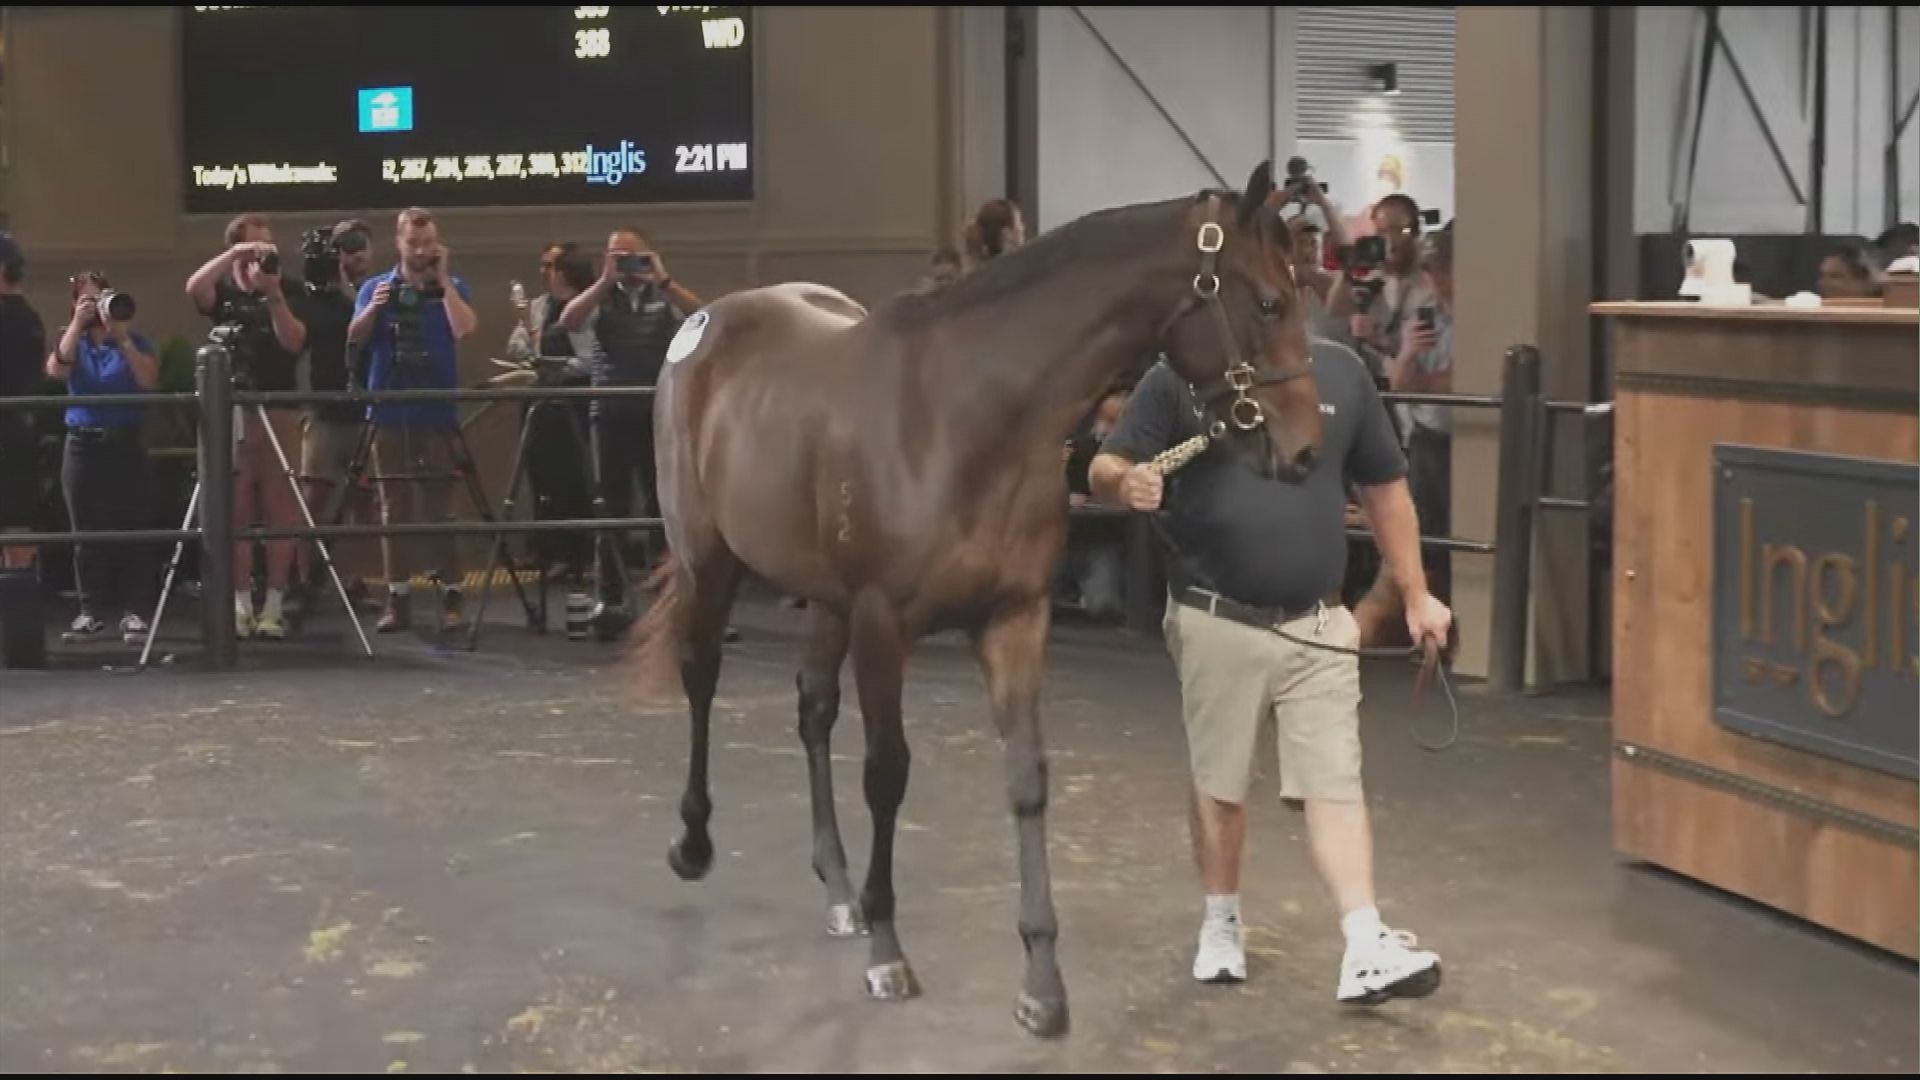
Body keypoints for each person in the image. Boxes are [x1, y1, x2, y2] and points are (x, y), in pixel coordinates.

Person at [1089, 336, 1451, 1005]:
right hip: (1216, 616)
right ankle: (1221, 919)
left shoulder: (1341, 370)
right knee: (1220, 784)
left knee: (1334, 777)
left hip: (1319, 623)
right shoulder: (1180, 376)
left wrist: (1417, 590)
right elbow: (1104, 464)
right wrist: (1125, 481)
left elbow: (1385, 492)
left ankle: (1365, 940)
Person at [560, 227, 702, 630]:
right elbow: (568, 320)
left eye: (633, 256)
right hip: (609, 412)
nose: (627, 266)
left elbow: (702, 319)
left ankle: (670, 597)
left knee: (665, 507)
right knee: (611, 507)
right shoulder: (601, 299)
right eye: (617, 257)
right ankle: (611, 596)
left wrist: (664, 280)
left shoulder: (664, 297)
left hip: (658, 413)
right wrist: (604, 283)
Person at [349, 207, 477, 634]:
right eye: (413, 243)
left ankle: (452, 593)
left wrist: (443, 283)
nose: (421, 251)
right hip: (389, 409)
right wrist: (374, 308)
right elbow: (354, 337)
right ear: (399, 242)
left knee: (441, 508)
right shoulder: (375, 287)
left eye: (428, 244)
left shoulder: (450, 287)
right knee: (394, 508)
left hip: (436, 409)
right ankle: (398, 596)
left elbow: (464, 329)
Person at [185, 212, 309, 640]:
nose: (262, 258)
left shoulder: (289, 290)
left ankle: (273, 605)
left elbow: (294, 342)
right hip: (233, 412)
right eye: (255, 249)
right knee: (235, 509)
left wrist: (273, 294)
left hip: (279, 408)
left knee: (280, 510)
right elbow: (194, 289)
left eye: (269, 250)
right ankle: (239, 604)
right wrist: (232, 256)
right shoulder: (222, 293)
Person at [44, 272, 160, 645]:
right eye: (89, 301)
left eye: (102, 299)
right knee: (85, 530)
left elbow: (147, 381)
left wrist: (121, 336)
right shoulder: (73, 342)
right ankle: (89, 610)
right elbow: (56, 370)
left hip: (125, 442)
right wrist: (77, 325)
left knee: (134, 524)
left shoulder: (133, 340)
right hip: (82, 444)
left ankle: (135, 610)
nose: (98, 309)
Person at [0, 233, 47, 572]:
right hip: (21, 429)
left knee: (16, 523)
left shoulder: (14, 317)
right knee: (18, 521)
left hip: (10, 428)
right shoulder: (30, 317)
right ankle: (19, 608)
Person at [962, 199, 1027, 269]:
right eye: (1019, 222)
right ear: (1006, 233)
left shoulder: (979, 271)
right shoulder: (1018, 273)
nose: (1023, 227)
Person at [1815, 244, 1880, 300]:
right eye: (1822, 275)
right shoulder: (1813, 310)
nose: (1823, 283)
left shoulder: (1885, 310)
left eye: (1835, 276)